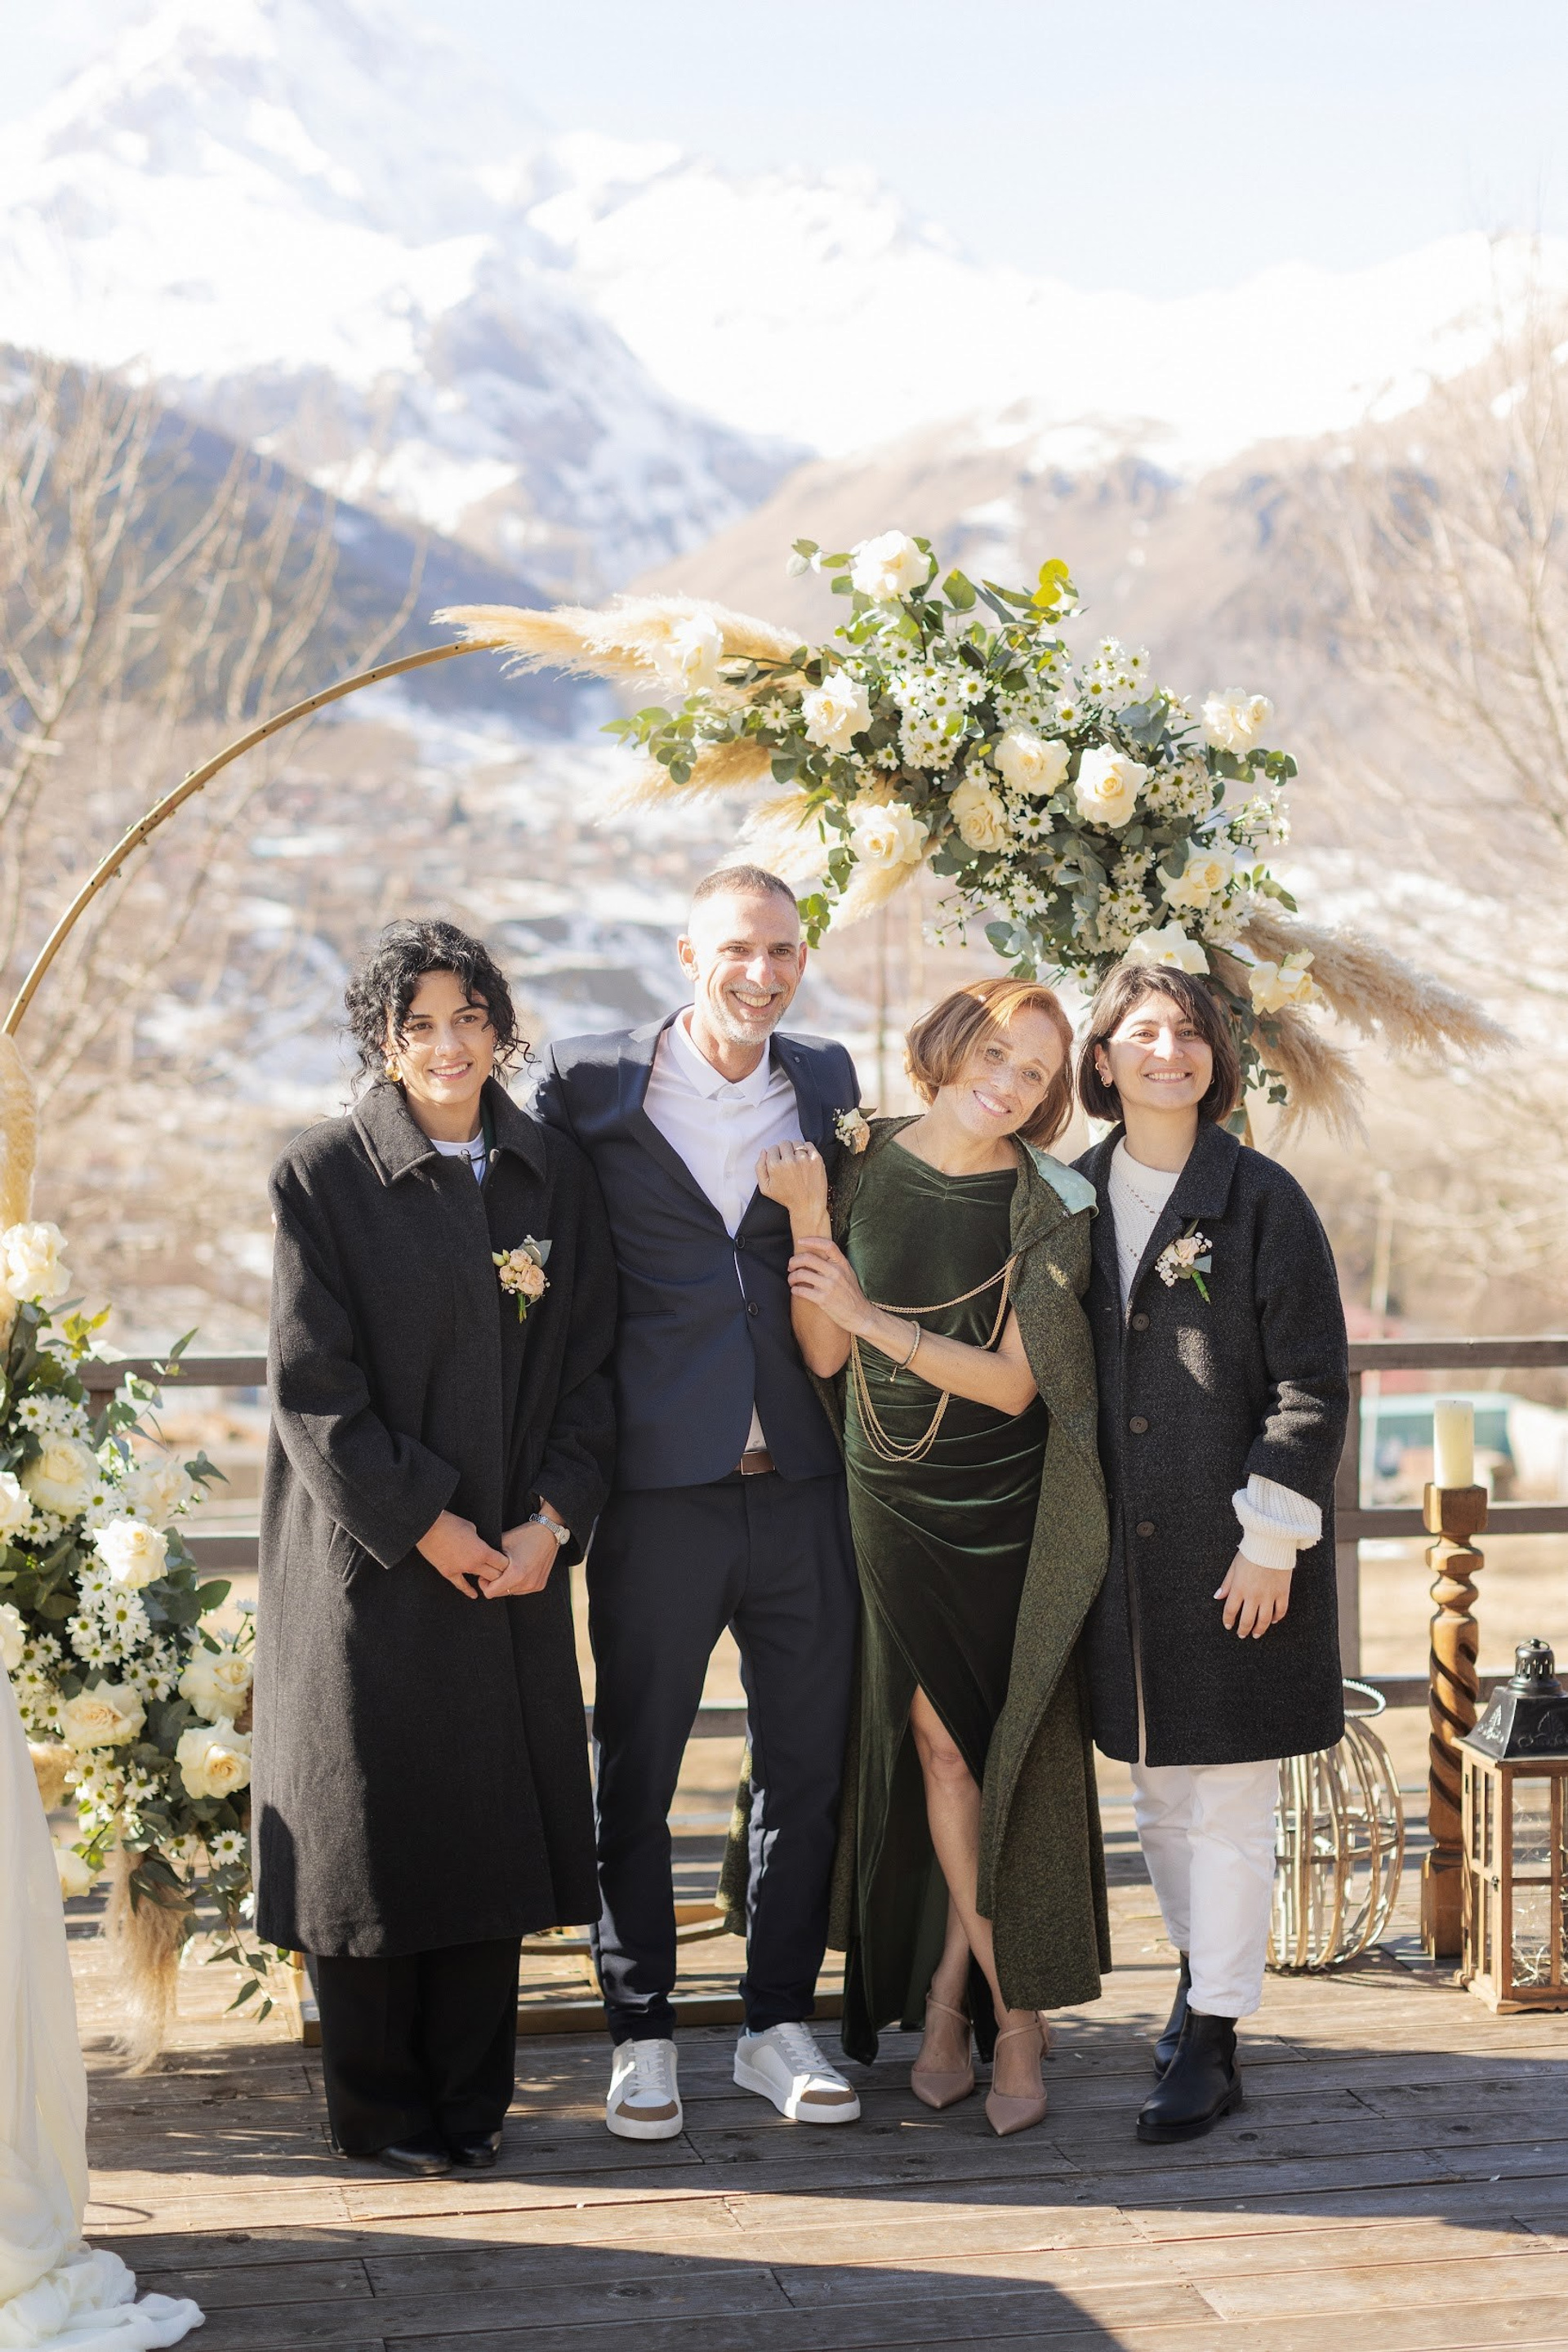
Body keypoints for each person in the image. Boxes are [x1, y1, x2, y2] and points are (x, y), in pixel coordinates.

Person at [253, 918, 616, 2179]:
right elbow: (312, 1390)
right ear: (382, 1041)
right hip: (372, 1567)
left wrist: (551, 1522)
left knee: (486, 1828)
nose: (449, 1045)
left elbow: (591, 1369)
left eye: (470, 1019)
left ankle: (474, 2109)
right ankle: (378, 2115)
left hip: (516, 1558)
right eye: (420, 1025)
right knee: (373, 1827)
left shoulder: (552, 1173)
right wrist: (429, 1523)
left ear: (500, 1027)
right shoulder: (322, 1179)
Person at [537, 866, 863, 2139]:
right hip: (655, 1490)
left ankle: (777, 2024)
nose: (763, 973)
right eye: (739, 950)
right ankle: (643, 2028)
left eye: (783, 951)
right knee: (639, 1768)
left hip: (801, 1483)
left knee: (805, 1767)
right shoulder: (587, 1085)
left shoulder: (828, 1083)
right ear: (688, 953)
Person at [764, 978, 1111, 2137]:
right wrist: (814, 1223)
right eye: (999, 1055)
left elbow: (1019, 1388)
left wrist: (876, 1323)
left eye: (1036, 1076)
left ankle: (974, 2004)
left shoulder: (1050, 1204)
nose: (1009, 1086)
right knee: (929, 1748)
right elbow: (818, 1353)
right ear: (953, 1041)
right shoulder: (857, 1159)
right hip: (887, 1488)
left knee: (982, 1754)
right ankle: (1003, 2010)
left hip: (1004, 1507)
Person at [1074, 960, 1348, 2144]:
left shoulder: (1264, 1199)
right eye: (1142, 1032)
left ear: (1215, 1056)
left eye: (1188, 1033)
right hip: (1116, 1563)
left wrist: (1273, 1539)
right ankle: (1198, 1983)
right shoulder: (1068, 1196)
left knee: (1232, 1798)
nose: (1167, 1052)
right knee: (1157, 1790)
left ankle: (1217, 2033)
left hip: (1238, 1554)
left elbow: (1312, 1384)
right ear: (1102, 1058)